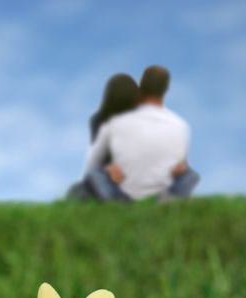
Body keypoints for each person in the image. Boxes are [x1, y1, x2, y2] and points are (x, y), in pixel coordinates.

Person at [84, 65, 199, 202]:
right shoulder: (181, 126)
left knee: (94, 173)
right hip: (163, 189)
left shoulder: (113, 123)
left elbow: (92, 165)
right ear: (166, 89)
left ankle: (119, 203)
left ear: (142, 87)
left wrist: (107, 169)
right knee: (189, 174)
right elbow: (179, 167)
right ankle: (170, 200)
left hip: (125, 189)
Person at [66, 74, 141, 200]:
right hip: (109, 173)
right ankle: (111, 197)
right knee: (90, 178)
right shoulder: (97, 120)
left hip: (133, 172)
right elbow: (99, 155)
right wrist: (110, 168)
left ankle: (112, 198)